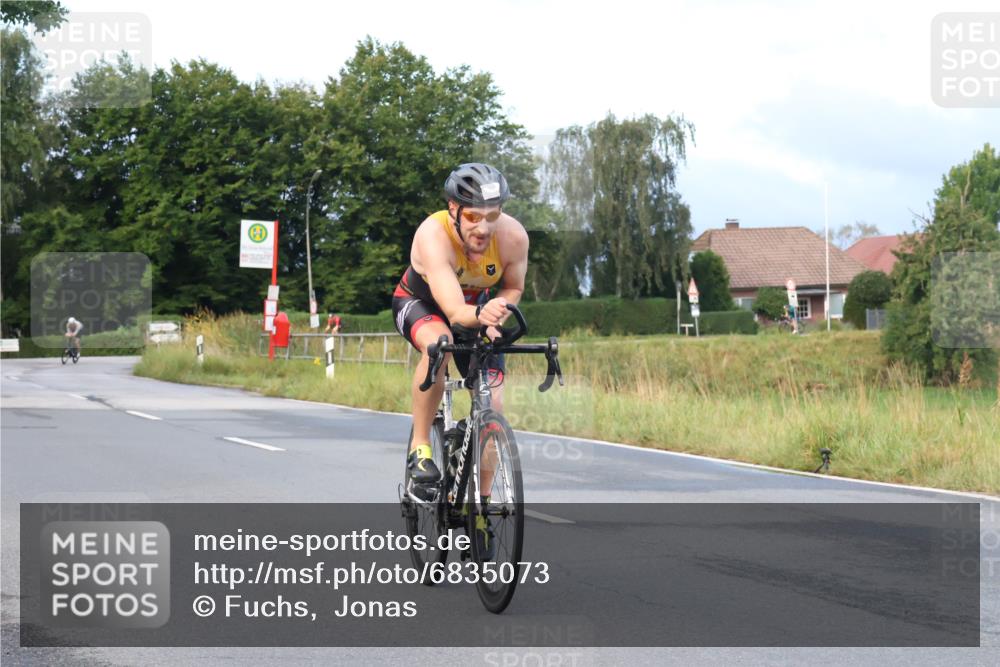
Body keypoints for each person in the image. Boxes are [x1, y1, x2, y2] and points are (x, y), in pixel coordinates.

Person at [392, 163, 529, 556]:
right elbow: (453, 311)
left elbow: (513, 286)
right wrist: (479, 317)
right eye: (472, 217)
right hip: (424, 304)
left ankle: (480, 508)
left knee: (494, 401)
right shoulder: (432, 235)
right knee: (440, 343)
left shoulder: (513, 237)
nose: (483, 228)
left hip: (479, 309)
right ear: (453, 209)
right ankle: (422, 448)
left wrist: (498, 311)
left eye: (492, 215)